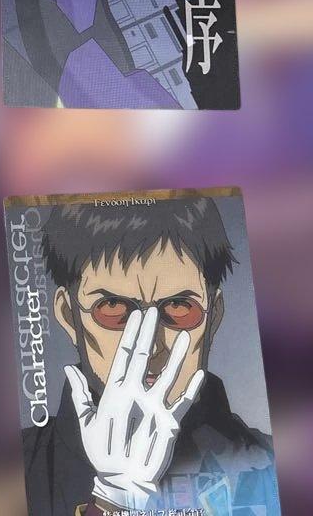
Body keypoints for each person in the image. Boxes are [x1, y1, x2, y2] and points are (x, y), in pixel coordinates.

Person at [25, 197, 277, 514]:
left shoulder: (270, 463)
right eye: (113, 307)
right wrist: (114, 496)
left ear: (213, 316)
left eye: (179, 307)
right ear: (68, 314)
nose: (152, 347)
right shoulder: (16, 467)